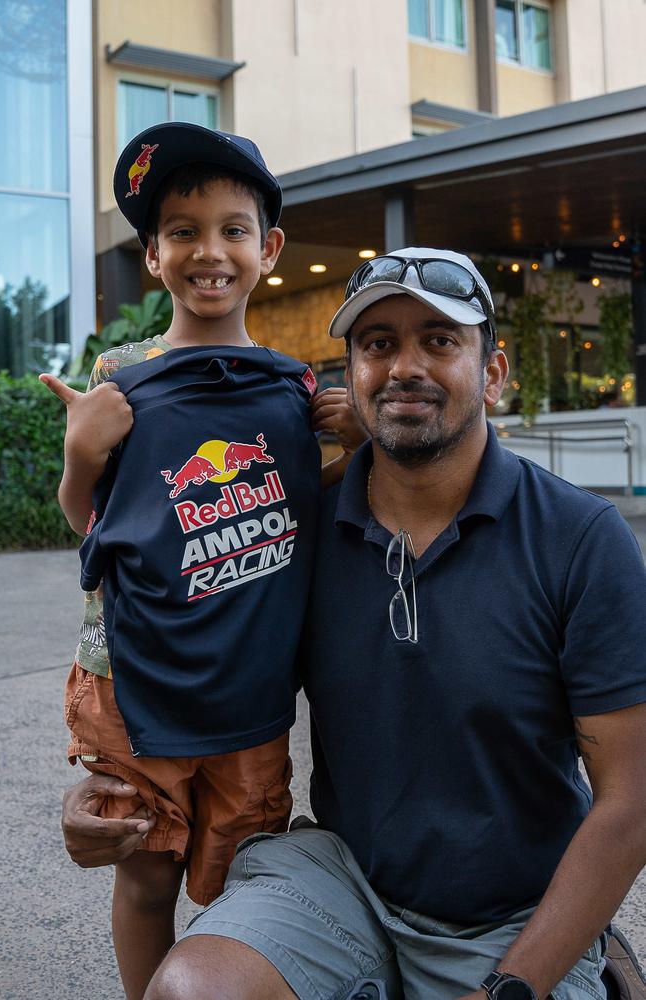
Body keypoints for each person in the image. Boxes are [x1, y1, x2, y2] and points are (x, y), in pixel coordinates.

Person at [62, 248, 646, 1000]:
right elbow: (179, 636)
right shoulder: (293, 535)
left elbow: (630, 801)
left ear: (494, 373)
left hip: (514, 916)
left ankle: (594, 960)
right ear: (352, 377)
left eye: (439, 340)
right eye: (378, 344)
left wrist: (513, 987)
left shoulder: (580, 538)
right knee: (193, 989)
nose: (405, 366)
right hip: (342, 881)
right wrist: (115, 791)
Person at [41, 122, 362, 1000]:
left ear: (270, 248)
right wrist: (80, 454)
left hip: (252, 692)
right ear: (152, 255)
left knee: (235, 883)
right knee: (143, 874)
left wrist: (357, 447)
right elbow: (91, 525)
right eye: (181, 231)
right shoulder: (122, 375)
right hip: (133, 685)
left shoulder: (298, 389)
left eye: (232, 228)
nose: (208, 251)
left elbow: (311, 514)